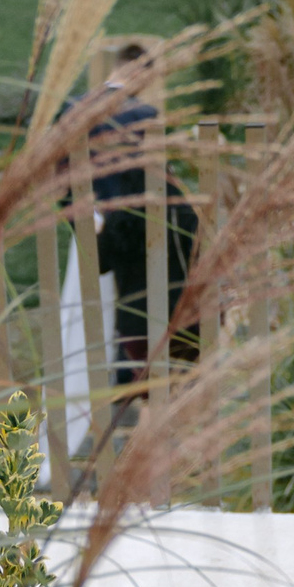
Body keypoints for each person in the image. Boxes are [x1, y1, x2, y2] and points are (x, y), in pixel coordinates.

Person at [92, 40, 197, 389]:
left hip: (102, 226)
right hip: (175, 305)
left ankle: (119, 376)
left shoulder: (75, 109)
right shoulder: (143, 115)